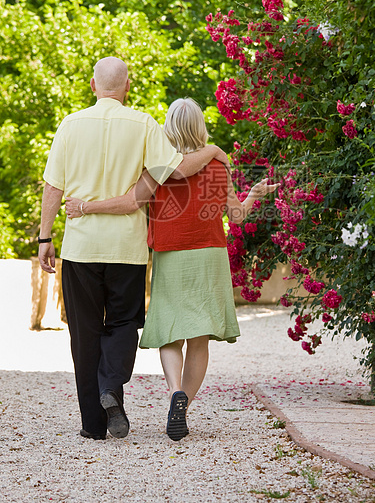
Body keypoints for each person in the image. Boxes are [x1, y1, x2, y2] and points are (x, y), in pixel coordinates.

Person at [38, 58, 230, 442]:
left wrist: (45, 238)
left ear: (93, 85)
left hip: (80, 248)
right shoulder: (144, 124)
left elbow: (53, 188)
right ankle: (112, 386)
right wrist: (213, 151)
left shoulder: (69, 125)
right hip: (126, 249)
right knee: (124, 324)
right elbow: (176, 170)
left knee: (84, 332)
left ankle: (93, 424)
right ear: (126, 86)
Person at [65, 97, 278, 441]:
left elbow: (129, 203)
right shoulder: (217, 164)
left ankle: (174, 389)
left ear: (169, 126)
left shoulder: (158, 169)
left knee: (170, 334)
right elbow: (236, 217)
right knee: (199, 339)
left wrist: (86, 207)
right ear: (200, 126)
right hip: (210, 256)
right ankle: (183, 405)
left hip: (171, 256)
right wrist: (253, 193)